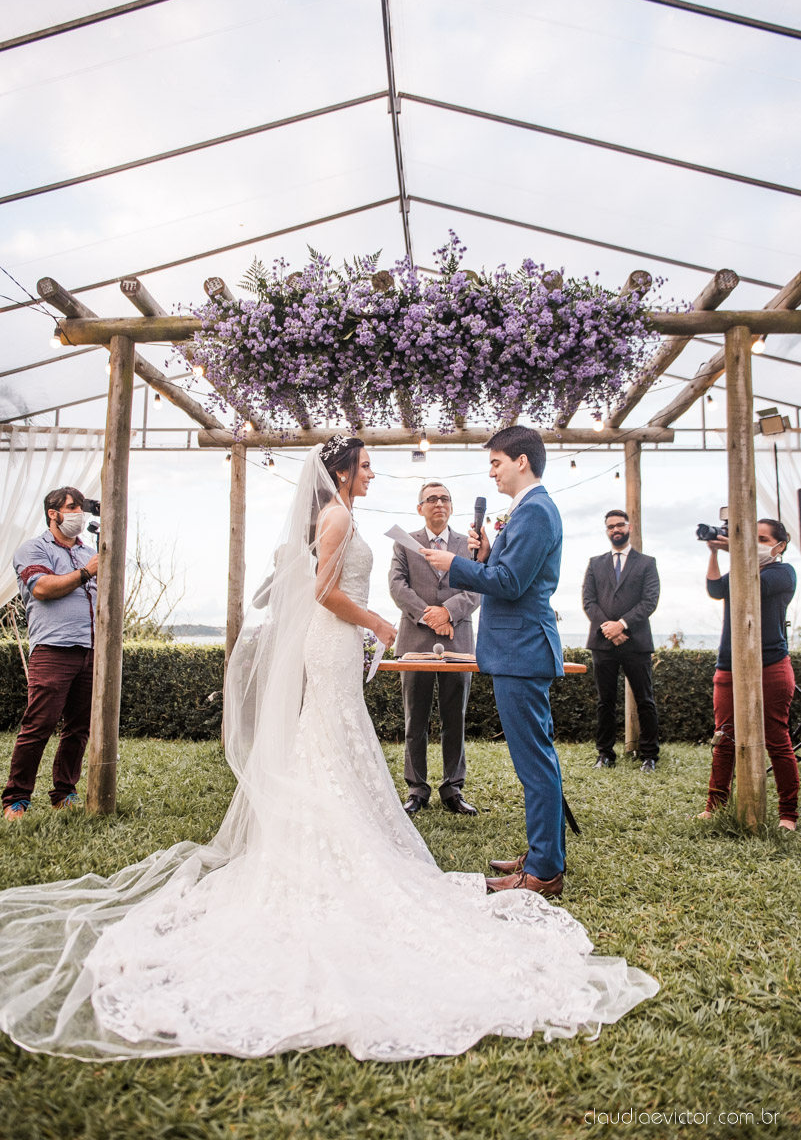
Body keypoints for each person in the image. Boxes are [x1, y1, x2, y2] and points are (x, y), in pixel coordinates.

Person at [0, 436, 657, 1061]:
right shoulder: (337, 516)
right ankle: (343, 844)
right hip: (336, 638)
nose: (372, 473)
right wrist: (376, 621)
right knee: (332, 734)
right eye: (365, 466)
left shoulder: (354, 512)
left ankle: (381, 838)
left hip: (349, 643)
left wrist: (404, 604)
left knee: (336, 737)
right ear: (342, 471)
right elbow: (322, 590)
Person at [426, 425, 567, 898]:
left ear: (521, 461)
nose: (491, 473)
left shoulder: (536, 511)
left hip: (522, 651)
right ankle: (544, 854)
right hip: (518, 649)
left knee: (534, 765)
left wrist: (455, 565)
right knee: (537, 761)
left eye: (496, 463)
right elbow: (509, 574)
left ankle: (544, 871)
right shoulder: (528, 510)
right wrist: (486, 556)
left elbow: (509, 584)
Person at [2, 486, 98, 821]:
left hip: (91, 650)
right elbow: (42, 588)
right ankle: (16, 798)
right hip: (53, 649)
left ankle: (64, 793)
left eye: (81, 507)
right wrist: (87, 572)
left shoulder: (89, 552)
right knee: (39, 724)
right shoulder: (33, 549)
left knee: (79, 728)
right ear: (53, 513)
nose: (78, 514)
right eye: (72, 507)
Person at [698, 519, 798, 831]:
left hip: (771, 664)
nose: (754, 543)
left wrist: (736, 549)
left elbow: (754, 588)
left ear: (779, 546)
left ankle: (788, 815)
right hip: (729, 663)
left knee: (776, 739)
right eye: (751, 537)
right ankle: (714, 807)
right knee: (724, 736)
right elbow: (716, 589)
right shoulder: (742, 569)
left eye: (762, 539)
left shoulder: (783, 573)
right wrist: (714, 553)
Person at [388, 482, 480, 816]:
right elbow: (397, 585)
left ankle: (453, 789)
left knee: (455, 717)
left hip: (458, 640)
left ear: (451, 506)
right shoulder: (404, 542)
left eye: (444, 498)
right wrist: (431, 616)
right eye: (431, 499)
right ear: (420, 508)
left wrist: (448, 613)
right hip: (415, 639)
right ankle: (417, 789)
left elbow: (478, 586)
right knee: (415, 718)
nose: (438, 503)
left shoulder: (468, 544)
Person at [582, 510, 661, 773]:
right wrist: (609, 628)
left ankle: (649, 756)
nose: (615, 529)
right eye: (610, 526)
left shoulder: (647, 563)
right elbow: (589, 601)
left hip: (636, 641)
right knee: (605, 701)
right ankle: (605, 754)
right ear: (606, 530)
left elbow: (649, 601)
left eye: (620, 525)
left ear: (629, 527)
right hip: (602, 642)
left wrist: (622, 625)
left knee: (645, 700)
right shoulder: (595, 563)